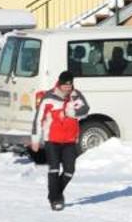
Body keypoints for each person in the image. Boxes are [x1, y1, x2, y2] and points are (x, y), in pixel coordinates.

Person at [29, 71, 91, 211]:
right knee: (54, 169)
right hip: (52, 139)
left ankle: (56, 193)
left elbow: (85, 110)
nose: (68, 88)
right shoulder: (49, 97)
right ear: (60, 83)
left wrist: (73, 113)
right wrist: (35, 139)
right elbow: (38, 119)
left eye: (70, 85)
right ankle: (55, 199)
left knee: (69, 170)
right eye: (65, 85)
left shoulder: (75, 96)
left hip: (69, 139)